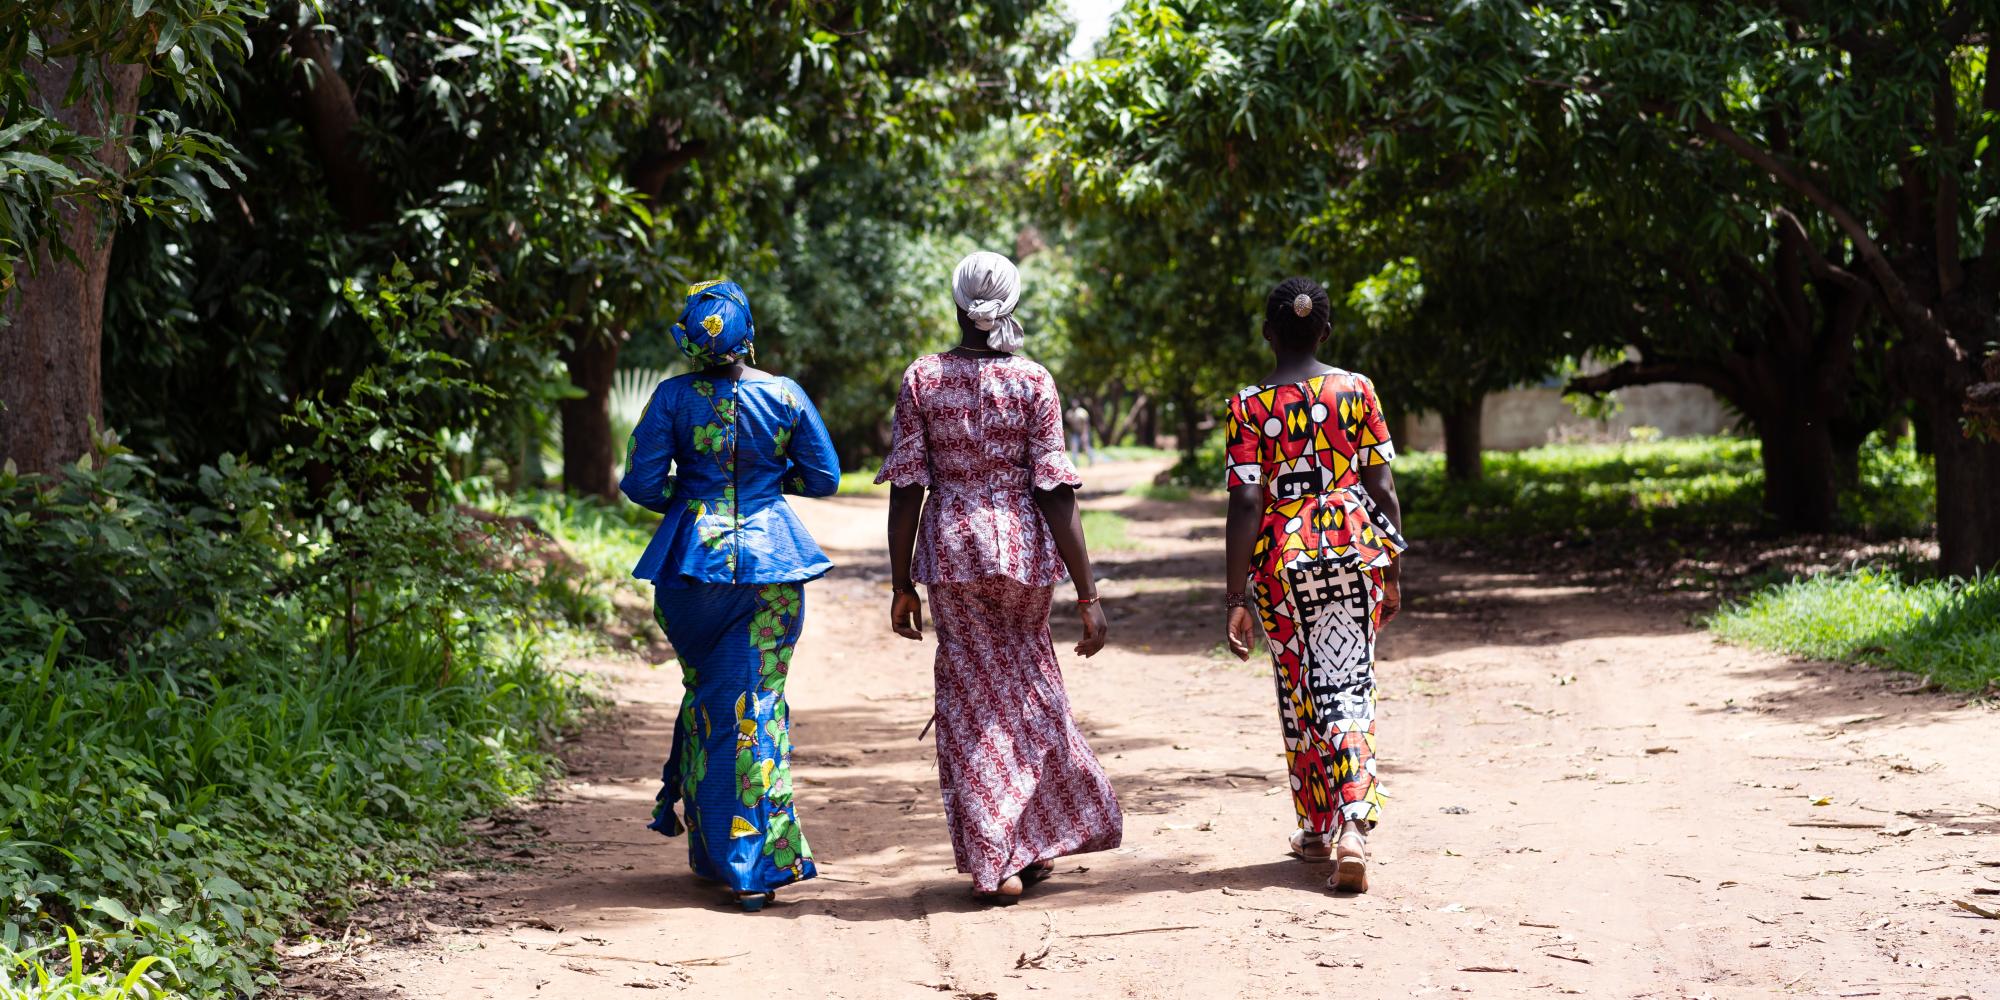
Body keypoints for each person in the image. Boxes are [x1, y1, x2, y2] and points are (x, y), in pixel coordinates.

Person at [878, 250, 1124, 904]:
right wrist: (1088, 593)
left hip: (953, 554)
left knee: (971, 695)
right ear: (1009, 304)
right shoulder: (1034, 381)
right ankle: (1027, 841)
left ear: (958, 303)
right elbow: (1054, 493)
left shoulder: (924, 378)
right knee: (1028, 687)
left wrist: (901, 582)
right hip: (1024, 552)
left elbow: (907, 489)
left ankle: (1000, 854)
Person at [620, 280, 842, 912]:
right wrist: (769, 483)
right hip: (772, 568)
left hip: (689, 573)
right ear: (750, 336)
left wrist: (691, 503)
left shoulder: (670, 398)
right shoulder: (786, 394)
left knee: (712, 698)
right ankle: (750, 867)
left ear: (690, 341)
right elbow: (825, 477)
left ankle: (716, 851)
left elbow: (639, 482)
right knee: (755, 706)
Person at [1221, 276, 1408, 894]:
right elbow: (1382, 488)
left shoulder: (1249, 405)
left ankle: (1317, 827)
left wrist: (1235, 594)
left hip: (1282, 563)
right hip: (1354, 551)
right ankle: (1351, 822)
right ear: (1325, 330)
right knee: (1349, 681)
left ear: (1268, 332)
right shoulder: (1357, 390)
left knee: (1300, 686)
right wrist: (1394, 571)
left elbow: (1247, 500)